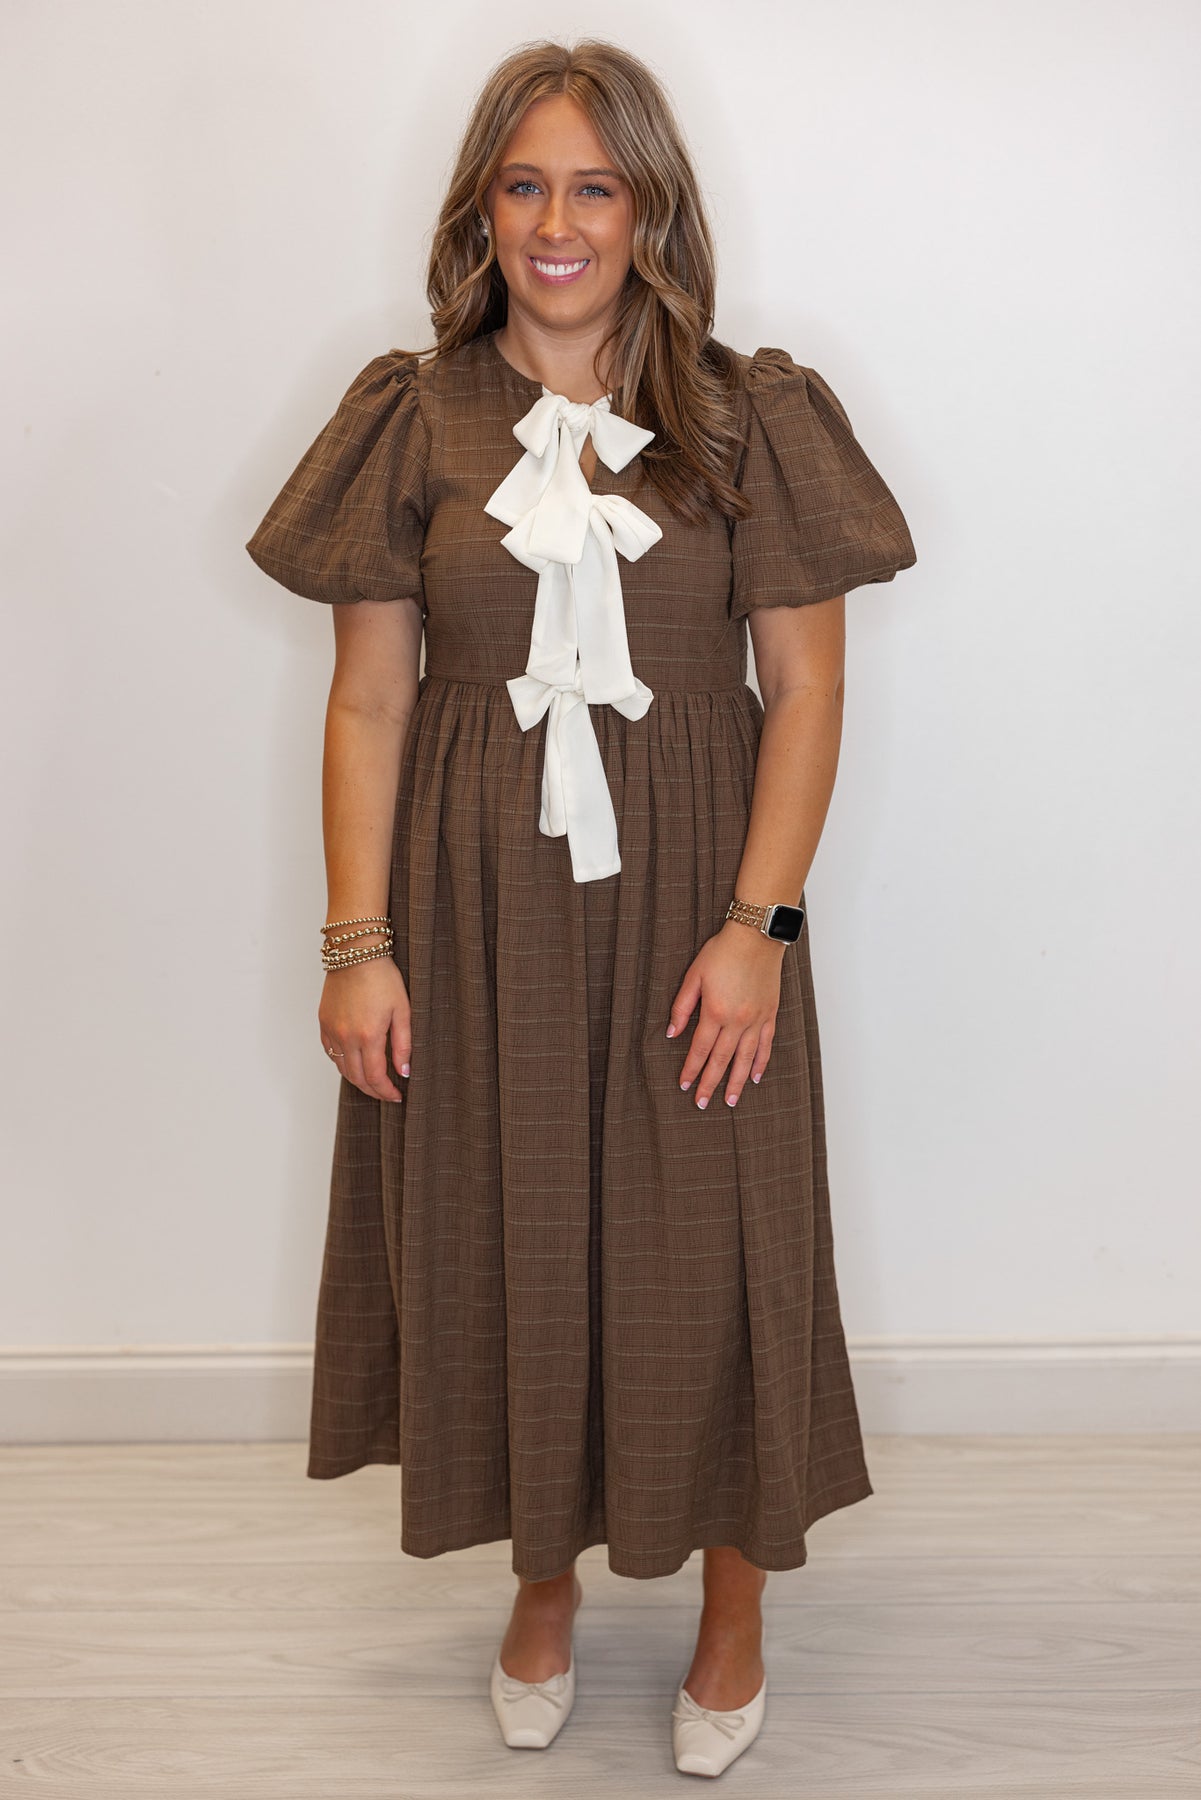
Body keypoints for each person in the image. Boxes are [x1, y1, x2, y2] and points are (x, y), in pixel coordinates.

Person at [245, 36, 916, 1779]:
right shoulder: (411, 414)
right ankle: (538, 1589)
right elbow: (369, 701)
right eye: (525, 185)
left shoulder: (751, 413)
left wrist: (760, 931)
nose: (557, 223)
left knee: (718, 1253)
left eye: (593, 187)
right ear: (481, 208)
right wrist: (355, 942)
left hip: (701, 899)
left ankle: (731, 1612)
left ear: (648, 210)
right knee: (509, 1237)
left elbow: (808, 691)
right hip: (471, 906)